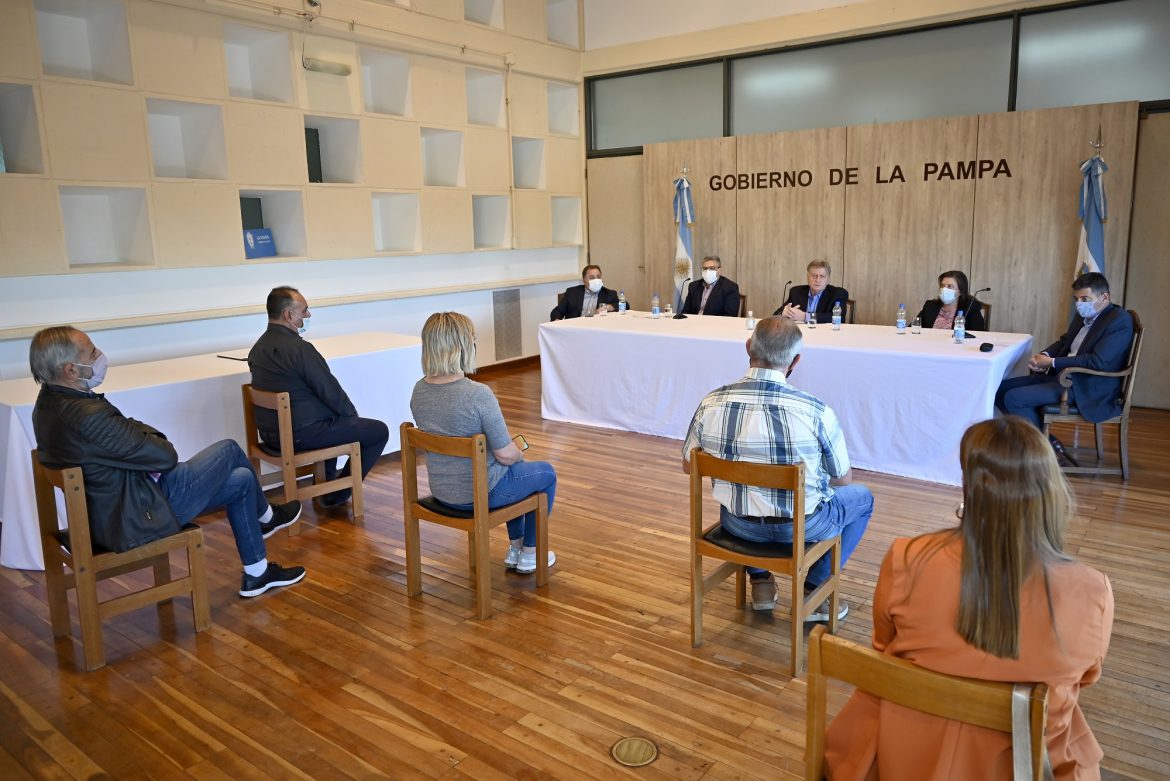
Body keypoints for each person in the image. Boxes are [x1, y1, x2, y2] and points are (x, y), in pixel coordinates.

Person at [824, 417, 1114, 780]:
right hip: (1024, 762)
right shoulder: (1092, 591)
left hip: (903, 753)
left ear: (969, 485)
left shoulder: (907, 557)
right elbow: (1083, 678)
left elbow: (884, 648)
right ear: (1050, 488)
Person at [30, 326, 306, 598]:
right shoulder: (87, 414)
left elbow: (128, 433)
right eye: (92, 354)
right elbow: (165, 456)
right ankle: (267, 517)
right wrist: (137, 432)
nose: (100, 357)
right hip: (136, 515)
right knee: (231, 449)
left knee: (243, 481)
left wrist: (132, 432)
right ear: (70, 370)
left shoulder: (48, 404)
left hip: (118, 507)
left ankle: (257, 574)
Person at [682, 317, 873, 618]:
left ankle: (761, 583)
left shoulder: (712, 402)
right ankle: (814, 591)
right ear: (796, 360)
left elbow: (687, 464)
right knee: (862, 499)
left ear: (748, 347)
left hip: (737, 525)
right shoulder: (815, 411)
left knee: (748, 497)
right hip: (799, 527)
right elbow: (843, 478)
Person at [409, 312, 557, 574]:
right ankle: (530, 553)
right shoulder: (478, 394)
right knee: (544, 474)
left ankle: (516, 548)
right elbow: (505, 454)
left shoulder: (419, 391)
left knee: (512, 473)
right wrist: (518, 454)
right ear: (464, 346)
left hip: (442, 492)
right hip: (478, 494)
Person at [249, 286, 390, 508]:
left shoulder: (257, 348)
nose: (308, 315)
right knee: (377, 431)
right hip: (300, 435)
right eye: (304, 310)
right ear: (288, 315)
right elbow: (329, 390)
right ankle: (337, 494)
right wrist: (352, 416)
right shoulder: (300, 349)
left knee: (332, 420)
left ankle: (327, 484)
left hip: (270, 435)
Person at [995, 272, 1133, 444]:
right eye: (1076, 299)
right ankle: (1043, 441)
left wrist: (1052, 362)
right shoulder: (1083, 315)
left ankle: (1041, 449)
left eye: (1085, 299)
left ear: (1104, 297)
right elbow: (1064, 342)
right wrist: (1044, 356)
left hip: (1087, 386)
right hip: (1063, 377)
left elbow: (1098, 361)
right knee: (998, 389)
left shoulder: (1119, 320)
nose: (1079, 304)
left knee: (1015, 398)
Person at [776, 259, 849, 324]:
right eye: (814, 275)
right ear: (808, 277)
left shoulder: (838, 293)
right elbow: (776, 314)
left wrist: (805, 316)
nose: (817, 280)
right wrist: (783, 313)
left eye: (822, 276)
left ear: (828, 279)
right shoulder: (796, 292)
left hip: (825, 334)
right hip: (802, 333)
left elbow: (839, 317)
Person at [916, 269, 986, 332]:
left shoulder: (970, 308)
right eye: (942, 285)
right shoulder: (930, 305)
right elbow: (913, 327)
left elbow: (979, 334)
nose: (944, 289)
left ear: (960, 291)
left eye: (949, 286)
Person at [550, 264, 621, 320]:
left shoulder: (609, 293)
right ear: (584, 280)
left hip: (597, 329)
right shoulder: (572, 292)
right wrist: (557, 321)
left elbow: (625, 305)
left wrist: (608, 307)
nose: (596, 280)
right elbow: (557, 311)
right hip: (575, 329)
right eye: (592, 278)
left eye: (598, 277)